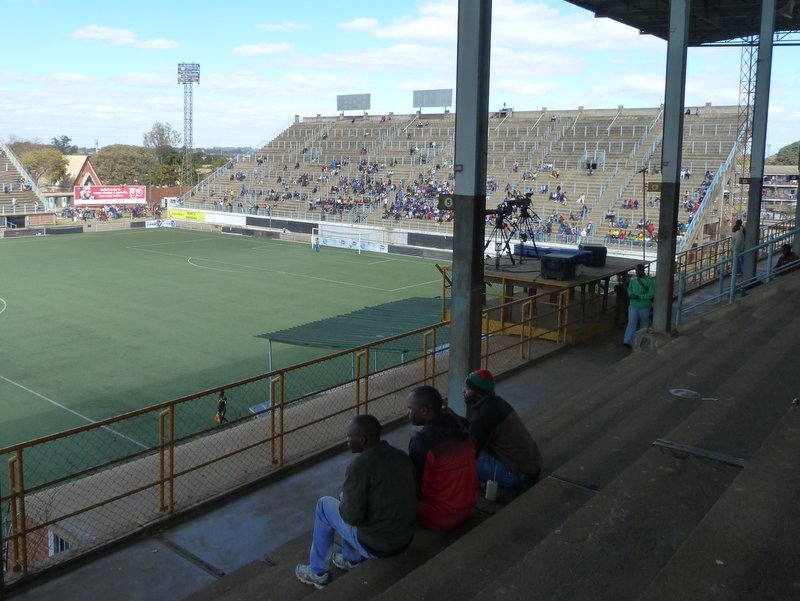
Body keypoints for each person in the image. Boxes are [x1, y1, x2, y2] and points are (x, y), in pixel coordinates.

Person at [295, 414, 417, 589]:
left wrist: (346, 507)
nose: (347, 441)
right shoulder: (400, 455)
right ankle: (351, 559)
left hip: (379, 546)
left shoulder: (359, 466)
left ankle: (318, 573)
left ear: (362, 440)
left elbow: (352, 517)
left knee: (324, 505)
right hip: (404, 538)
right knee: (345, 497)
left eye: (349, 437)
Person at [407, 386, 477, 531]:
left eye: (410, 408)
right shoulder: (461, 425)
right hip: (467, 509)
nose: (407, 413)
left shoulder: (422, 442)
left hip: (440, 517)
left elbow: (416, 486)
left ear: (424, 411)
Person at [462, 370, 542, 491]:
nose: (463, 391)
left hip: (519, 477)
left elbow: (470, 450)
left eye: (467, 389)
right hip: (532, 467)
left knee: (461, 458)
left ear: (478, 393)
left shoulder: (483, 417)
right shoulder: (498, 403)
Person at [623, 264, 655, 348]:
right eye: (636, 271)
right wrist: (631, 295)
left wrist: (640, 297)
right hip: (633, 305)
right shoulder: (633, 279)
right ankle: (628, 341)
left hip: (644, 306)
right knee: (631, 323)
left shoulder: (649, 281)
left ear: (643, 270)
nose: (637, 272)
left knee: (643, 324)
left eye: (639, 271)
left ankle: (640, 341)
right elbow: (629, 288)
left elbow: (651, 294)